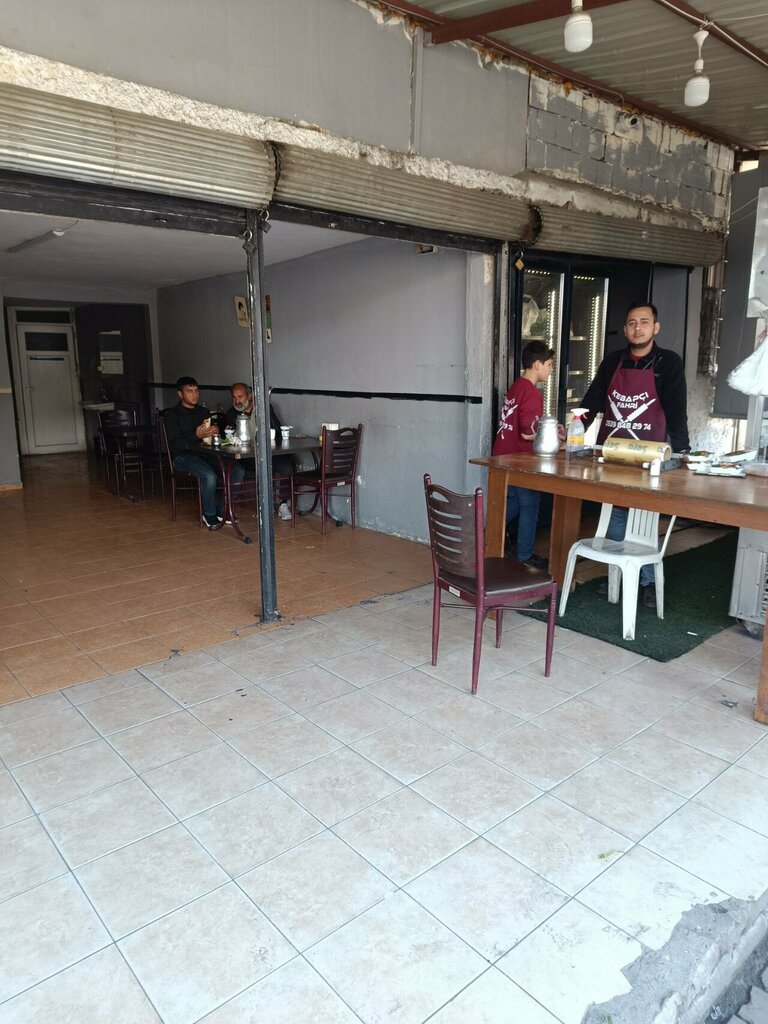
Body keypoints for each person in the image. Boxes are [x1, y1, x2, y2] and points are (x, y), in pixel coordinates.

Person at [581, 301, 690, 609]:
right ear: (625, 329)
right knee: (616, 513)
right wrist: (574, 430)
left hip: (649, 455)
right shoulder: (613, 361)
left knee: (644, 517)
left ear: (655, 327)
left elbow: (675, 407)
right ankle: (618, 572)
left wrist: (683, 449)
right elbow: (592, 399)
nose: (637, 327)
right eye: (631, 323)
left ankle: (647, 582)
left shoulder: (668, 362)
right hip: (613, 453)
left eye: (644, 322)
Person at [492, 340, 556, 570]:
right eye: (549, 365)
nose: (551, 370)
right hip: (519, 458)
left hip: (503, 454)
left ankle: (486, 539)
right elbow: (527, 433)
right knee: (530, 503)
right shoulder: (531, 392)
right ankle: (525, 554)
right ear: (537, 364)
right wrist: (552, 437)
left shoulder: (517, 386)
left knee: (514, 502)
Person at [164, 376, 244, 530]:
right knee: (208, 475)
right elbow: (175, 445)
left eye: (196, 391)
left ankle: (222, 510)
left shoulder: (204, 412)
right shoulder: (173, 415)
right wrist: (196, 435)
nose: (194, 395)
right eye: (189, 391)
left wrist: (215, 432)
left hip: (205, 454)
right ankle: (209, 514)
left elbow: (211, 440)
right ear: (180, 394)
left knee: (237, 470)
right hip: (183, 456)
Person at [223, 382, 293, 521]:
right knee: (243, 469)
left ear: (249, 396)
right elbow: (226, 438)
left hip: (267, 453)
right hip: (247, 458)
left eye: (240, 397)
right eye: (234, 397)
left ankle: (283, 504)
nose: (237, 401)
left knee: (287, 466)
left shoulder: (263, 408)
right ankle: (233, 507)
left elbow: (277, 430)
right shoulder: (231, 414)